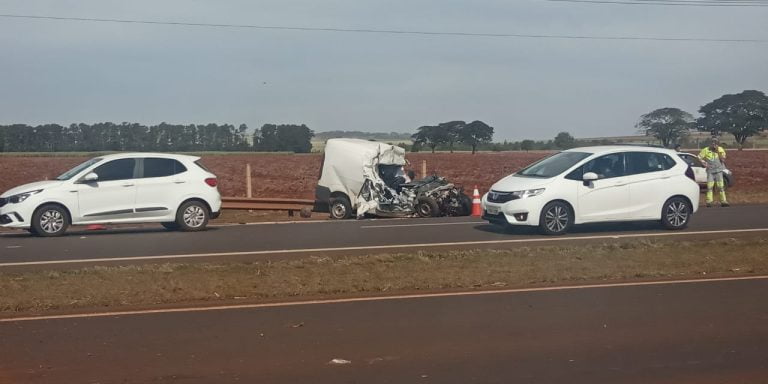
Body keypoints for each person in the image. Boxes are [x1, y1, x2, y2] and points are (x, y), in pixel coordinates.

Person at [698, 138, 729, 207]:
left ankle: (723, 201)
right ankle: (709, 202)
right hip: (710, 171)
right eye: (712, 143)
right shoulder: (706, 150)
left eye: (715, 143)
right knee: (709, 187)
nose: (714, 144)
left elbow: (723, 159)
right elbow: (699, 157)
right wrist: (704, 163)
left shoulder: (720, 149)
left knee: (721, 186)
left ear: (718, 143)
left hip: (718, 171)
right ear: (710, 143)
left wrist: (717, 151)